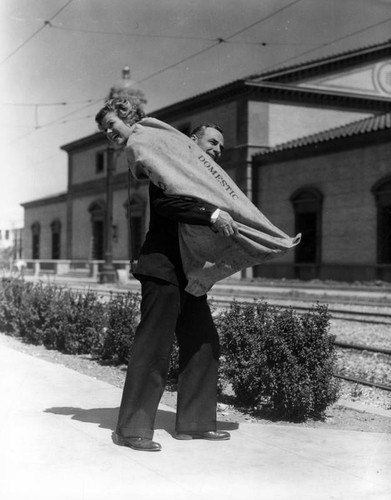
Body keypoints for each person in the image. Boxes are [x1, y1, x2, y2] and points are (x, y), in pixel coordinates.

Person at [95, 98, 238, 452]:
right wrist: (212, 215)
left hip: (189, 271)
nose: (217, 150)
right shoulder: (166, 158)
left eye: (221, 146)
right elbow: (165, 204)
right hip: (161, 267)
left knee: (204, 341)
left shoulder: (200, 176)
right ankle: (132, 430)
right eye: (211, 143)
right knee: (153, 349)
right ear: (193, 141)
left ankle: (195, 423)